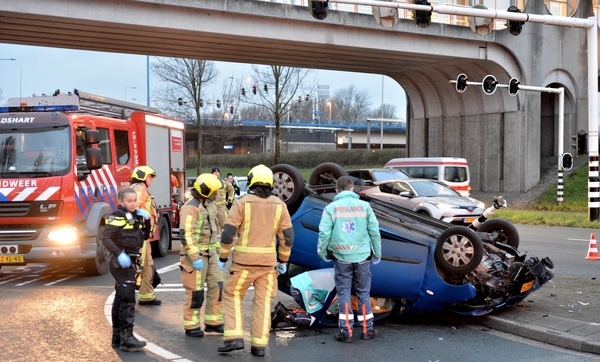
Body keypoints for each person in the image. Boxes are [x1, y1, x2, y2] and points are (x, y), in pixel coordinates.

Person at [217, 164, 294, 357]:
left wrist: (223, 256)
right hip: (268, 266)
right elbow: (288, 237)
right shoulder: (280, 205)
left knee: (232, 295)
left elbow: (228, 234)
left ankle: (234, 338)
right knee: (263, 302)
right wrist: (283, 260)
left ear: (251, 180)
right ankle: (259, 345)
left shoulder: (242, 203)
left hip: (243, 264)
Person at [317, 176, 381, 343]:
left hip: (341, 257)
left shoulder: (331, 208)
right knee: (363, 293)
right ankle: (367, 330)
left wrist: (322, 252)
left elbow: (324, 233)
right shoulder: (365, 206)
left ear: (337, 191)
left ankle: (346, 332)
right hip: (363, 257)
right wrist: (378, 253)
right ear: (352, 189)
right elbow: (374, 231)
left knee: (344, 292)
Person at [103, 187, 151, 352]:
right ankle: (127, 338)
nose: (132, 204)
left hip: (131, 261)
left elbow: (144, 237)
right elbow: (106, 239)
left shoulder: (136, 216)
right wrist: (118, 253)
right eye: (129, 201)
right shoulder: (116, 217)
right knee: (128, 299)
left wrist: (148, 220)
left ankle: (117, 338)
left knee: (120, 299)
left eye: (134, 200)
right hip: (121, 263)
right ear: (121, 202)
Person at [179, 173, 224, 337]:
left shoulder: (210, 204)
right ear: (205, 191)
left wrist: (218, 254)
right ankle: (191, 325)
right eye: (214, 191)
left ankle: (214, 322)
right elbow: (186, 235)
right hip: (195, 257)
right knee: (195, 293)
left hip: (211, 255)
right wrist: (195, 257)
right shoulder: (190, 207)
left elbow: (218, 225)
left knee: (217, 287)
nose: (216, 194)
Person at [129, 166, 161, 306]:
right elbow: (132, 207)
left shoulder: (140, 188)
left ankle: (146, 295)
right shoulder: (139, 189)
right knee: (136, 267)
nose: (151, 180)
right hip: (139, 236)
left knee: (145, 266)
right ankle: (127, 298)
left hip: (141, 236)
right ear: (142, 176)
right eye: (150, 177)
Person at [272, 268, 337, 327]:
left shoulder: (342, 273)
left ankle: (284, 311)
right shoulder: (343, 285)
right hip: (301, 290)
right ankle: (286, 315)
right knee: (321, 319)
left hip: (300, 284)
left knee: (321, 312)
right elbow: (330, 307)